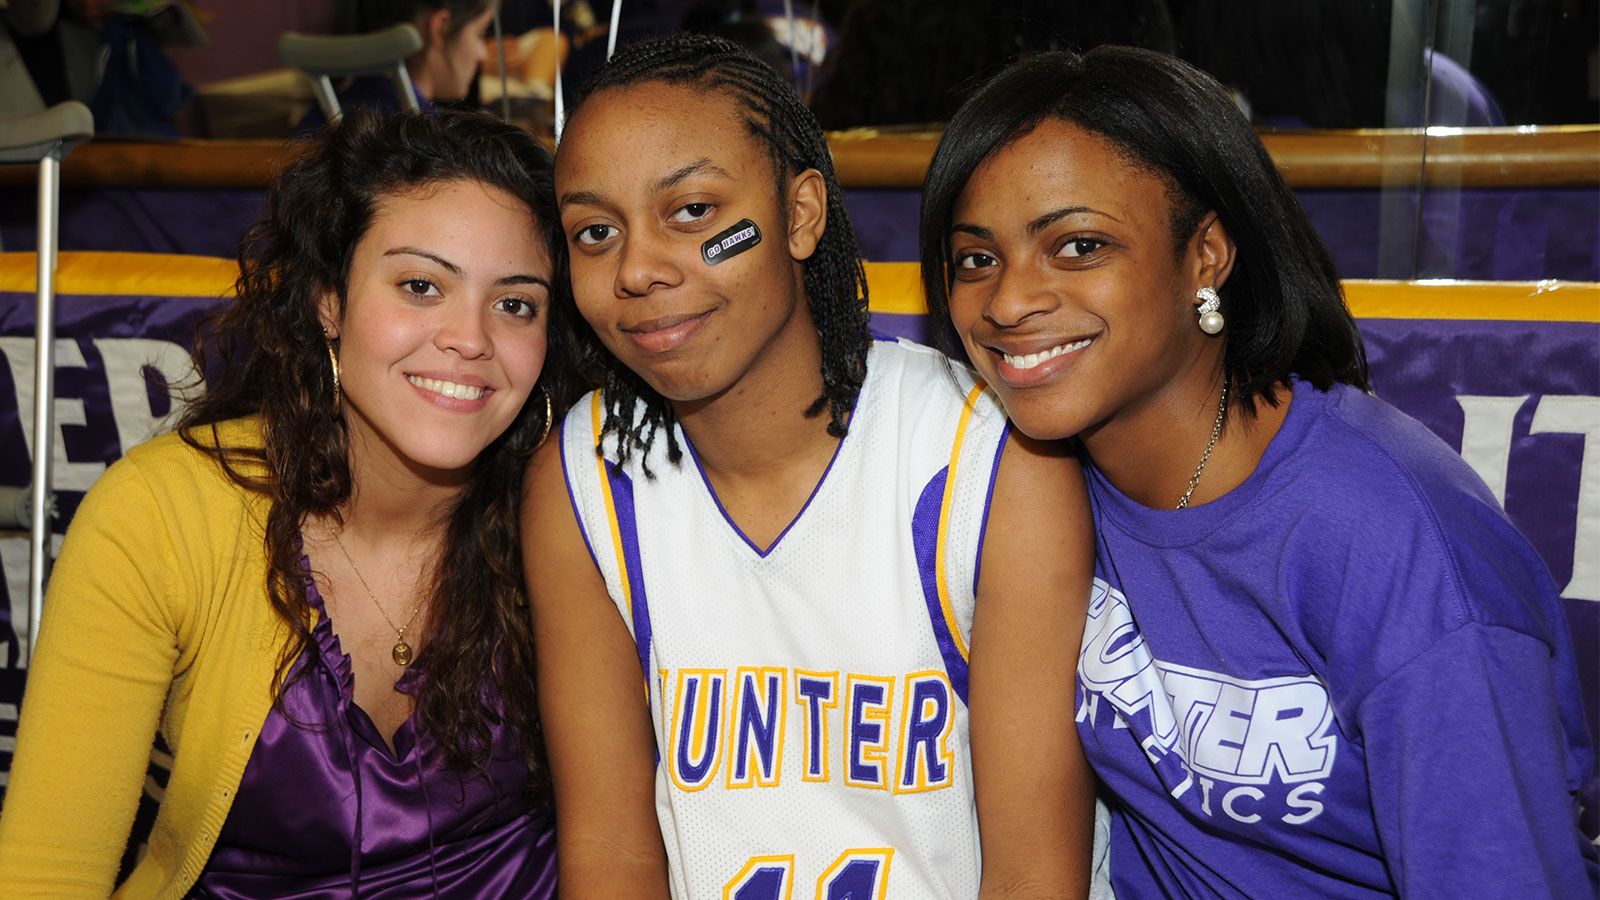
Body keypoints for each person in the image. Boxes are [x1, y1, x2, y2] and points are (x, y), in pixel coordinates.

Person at [919, 46, 1600, 898]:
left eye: (1079, 245)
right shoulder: (1026, 478)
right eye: (976, 258)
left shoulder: (1393, 541)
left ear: (1207, 256)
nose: (1009, 301)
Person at [523, 32, 1097, 899]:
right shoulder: (586, 476)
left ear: (800, 214)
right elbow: (610, 854)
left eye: (694, 213)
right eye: (595, 232)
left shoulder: (982, 452)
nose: (636, 269)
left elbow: (1032, 876)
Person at [0, 108, 577, 897]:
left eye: (516, 304)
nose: (469, 338)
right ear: (328, 301)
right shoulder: (164, 519)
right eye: (420, 285)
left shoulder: (581, 510)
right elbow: (45, 876)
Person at [297, 0, 494, 132]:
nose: (482, 54)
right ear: (441, 28)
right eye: (480, 33)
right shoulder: (433, 138)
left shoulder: (320, 117)